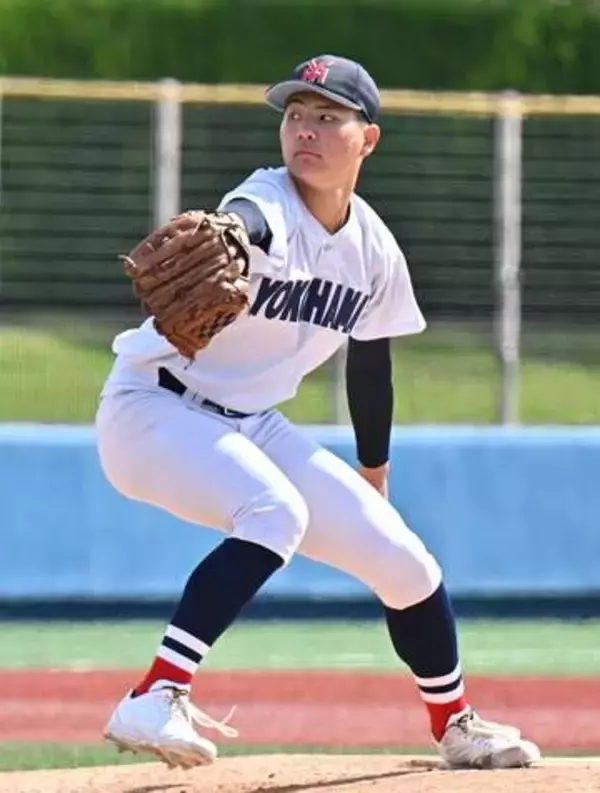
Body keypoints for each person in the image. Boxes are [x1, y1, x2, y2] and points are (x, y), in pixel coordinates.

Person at [95, 54, 541, 771]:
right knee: (275, 513)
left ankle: (455, 722)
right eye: (296, 115)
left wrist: (374, 471)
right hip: (154, 405)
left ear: (368, 139)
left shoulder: (373, 249)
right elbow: (245, 225)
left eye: (327, 116)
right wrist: (232, 237)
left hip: (251, 422)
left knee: (405, 561)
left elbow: (370, 359)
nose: (305, 128)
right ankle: (156, 693)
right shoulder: (265, 199)